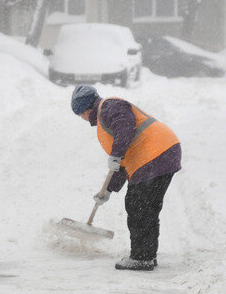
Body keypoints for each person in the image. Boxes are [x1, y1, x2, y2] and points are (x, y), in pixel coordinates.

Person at [70, 85, 181, 271]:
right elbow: (121, 165)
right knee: (147, 207)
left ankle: (141, 257)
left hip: (154, 155)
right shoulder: (105, 116)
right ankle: (147, 255)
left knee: (139, 206)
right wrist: (107, 190)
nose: (81, 118)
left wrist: (116, 153)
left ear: (85, 109)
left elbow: (125, 126)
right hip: (162, 154)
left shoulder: (109, 106)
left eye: (79, 113)